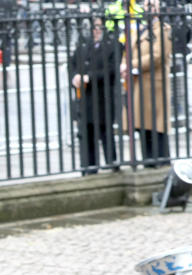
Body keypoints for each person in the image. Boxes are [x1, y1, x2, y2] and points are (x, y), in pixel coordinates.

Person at [121, 0, 172, 168]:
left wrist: (131, 65)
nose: (147, 8)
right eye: (146, 5)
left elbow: (157, 56)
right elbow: (128, 51)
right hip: (139, 87)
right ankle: (148, 164)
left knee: (156, 130)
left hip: (154, 88)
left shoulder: (163, 29)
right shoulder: (141, 30)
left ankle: (161, 167)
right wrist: (125, 65)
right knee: (143, 129)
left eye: (151, 5)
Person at [70, 17, 122, 173]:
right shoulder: (84, 45)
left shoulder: (114, 46)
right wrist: (75, 76)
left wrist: (90, 77)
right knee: (86, 134)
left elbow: (112, 70)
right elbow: (72, 64)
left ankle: (112, 163)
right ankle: (89, 167)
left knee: (106, 132)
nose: (96, 30)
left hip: (103, 97)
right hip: (85, 98)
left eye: (99, 26)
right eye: (94, 27)